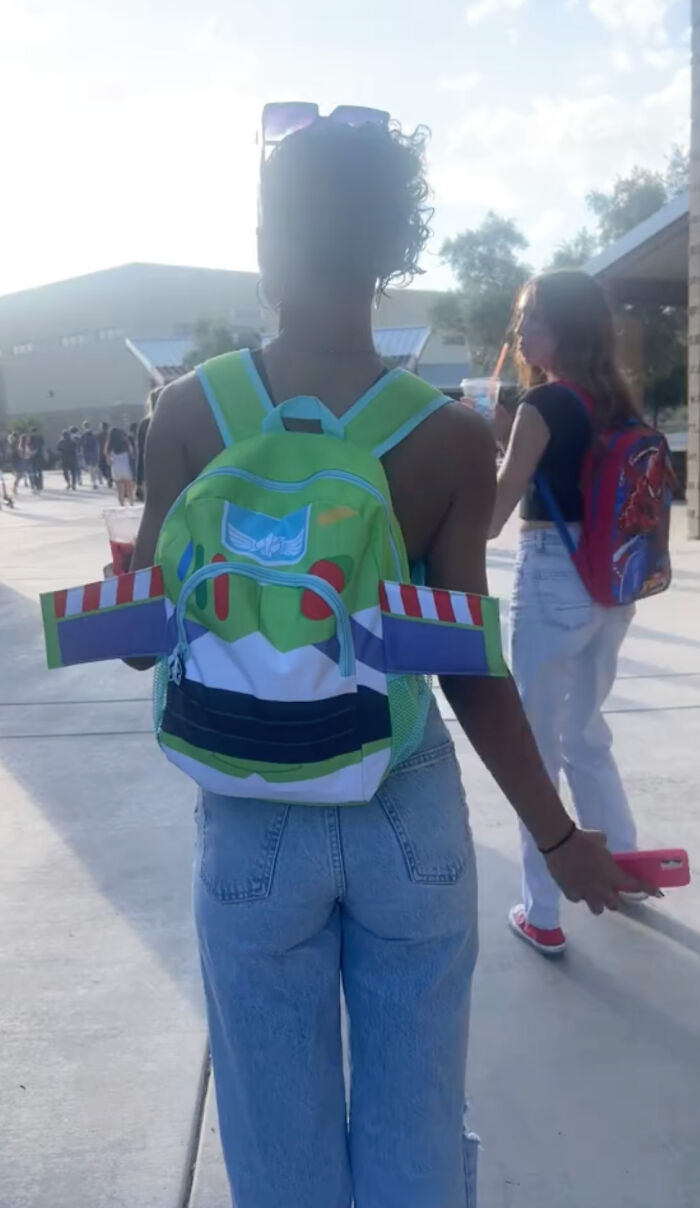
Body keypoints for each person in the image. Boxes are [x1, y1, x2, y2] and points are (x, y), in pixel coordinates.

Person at [129, 118, 649, 1208]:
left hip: (252, 814)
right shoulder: (448, 436)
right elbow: (468, 667)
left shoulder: (185, 413)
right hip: (403, 807)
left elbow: (146, 643)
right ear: (390, 254)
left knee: (279, 1144)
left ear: (268, 241)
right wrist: (559, 839)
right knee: (414, 1127)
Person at [490, 269, 644, 956]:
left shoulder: (543, 407)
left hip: (554, 571)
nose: (522, 333)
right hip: (616, 579)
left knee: (535, 745)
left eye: (532, 318)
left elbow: (494, 516)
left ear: (564, 327)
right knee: (585, 732)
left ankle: (543, 910)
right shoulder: (622, 405)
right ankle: (628, 870)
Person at [135, 388, 160, 502]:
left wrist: (139, 481)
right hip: (174, 469)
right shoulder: (174, 419)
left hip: (150, 470)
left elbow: (141, 453)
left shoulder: (145, 423)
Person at [106, 426, 135, 506]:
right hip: (126, 466)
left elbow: (108, 460)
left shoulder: (110, 444)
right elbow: (132, 453)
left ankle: (122, 504)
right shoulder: (125, 442)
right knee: (129, 488)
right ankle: (131, 503)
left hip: (116, 467)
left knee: (120, 489)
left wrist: (112, 462)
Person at [81, 421, 100, 489]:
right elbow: (97, 444)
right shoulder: (94, 434)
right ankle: (95, 482)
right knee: (94, 468)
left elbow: (82, 445)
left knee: (91, 469)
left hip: (87, 454)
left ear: (83, 427)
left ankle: (93, 482)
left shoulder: (83, 435)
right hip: (94, 453)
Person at [28, 426, 45, 492]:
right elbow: (43, 447)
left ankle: (36, 484)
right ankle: (40, 484)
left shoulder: (30, 438)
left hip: (33, 456)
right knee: (39, 471)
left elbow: (28, 447)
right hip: (39, 455)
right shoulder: (40, 437)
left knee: (34, 471)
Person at [98, 421, 112, 487]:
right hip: (109, 453)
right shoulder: (110, 434)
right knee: (109, 467)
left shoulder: (99, 435)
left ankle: (108, 478)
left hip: (102, 454)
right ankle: (110, 478)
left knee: (102, 467)